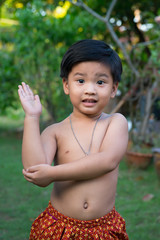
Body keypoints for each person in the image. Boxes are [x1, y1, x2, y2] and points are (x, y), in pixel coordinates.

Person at [18, 39, 129, 239]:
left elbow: (107, 161)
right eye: (80, 80)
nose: (90, 89)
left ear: (114, 89)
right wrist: (32, 118)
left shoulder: (116, 122)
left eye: (101, 82)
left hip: (103, 228)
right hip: (59, 226)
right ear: (66, 85)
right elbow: (35, 170)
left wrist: (53, 172)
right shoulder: (55, 131)